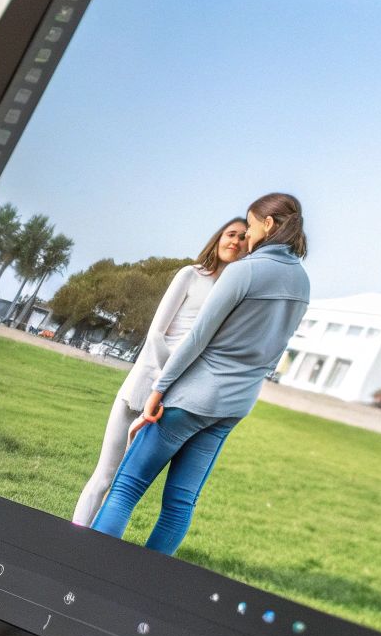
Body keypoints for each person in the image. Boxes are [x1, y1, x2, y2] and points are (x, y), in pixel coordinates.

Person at [89, 193, 311, 555]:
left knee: (127, 488)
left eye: (251, 225)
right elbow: (275, 353)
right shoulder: (302, 283)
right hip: (233, 408)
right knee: (180, 504)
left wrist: (158, 390)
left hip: (189, 400)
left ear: (268, 224)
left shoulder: (245, 270)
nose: (247, 235)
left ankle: (86, 566)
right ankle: (143, 580)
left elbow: (197, 338)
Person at [72, 217, 249, 524]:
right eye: (231, 234)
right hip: (144, 387)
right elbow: (156, 333)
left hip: (177, 400)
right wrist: (166, 377)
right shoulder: (190, 275)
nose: (235, 241)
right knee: (104, 476)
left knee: (123, 487)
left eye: (244, 237)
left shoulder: (235, 294)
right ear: (218, 238)